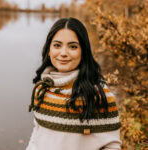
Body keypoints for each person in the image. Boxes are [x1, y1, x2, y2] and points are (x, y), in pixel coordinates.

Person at [26, 17, 122, 150]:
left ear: (83, 52)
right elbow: (37, 134)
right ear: (49, 50)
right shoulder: (43, 88)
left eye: (73, 46)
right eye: (57, 45)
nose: (63, 53)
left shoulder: (98, 93)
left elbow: (111, 146)